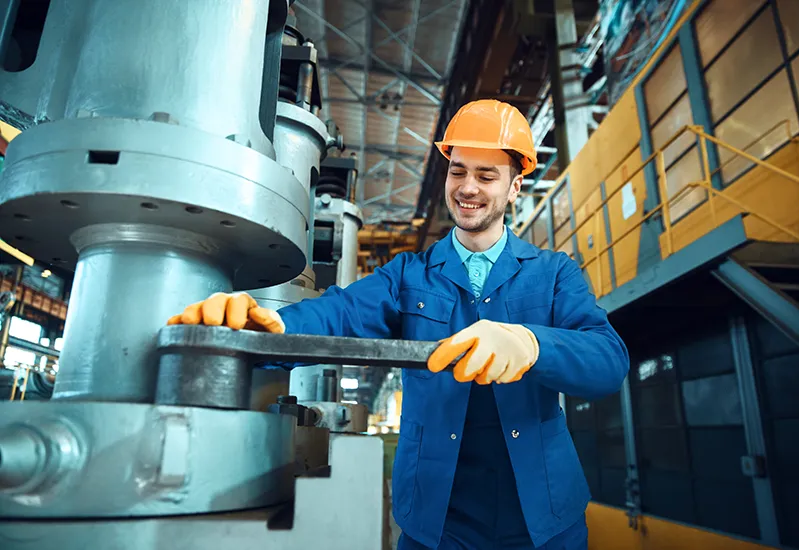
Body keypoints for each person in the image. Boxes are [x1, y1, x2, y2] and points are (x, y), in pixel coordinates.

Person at [168, 99, 629, 549]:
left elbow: (608, 359)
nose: (468, 187)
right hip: (438, 521)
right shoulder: (409, 275)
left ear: (514, 187)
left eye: (487, 176)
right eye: (458, 171)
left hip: (544, 520)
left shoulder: (553, 274)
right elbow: (339, 313)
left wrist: (532, 345)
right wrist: (260, 327)